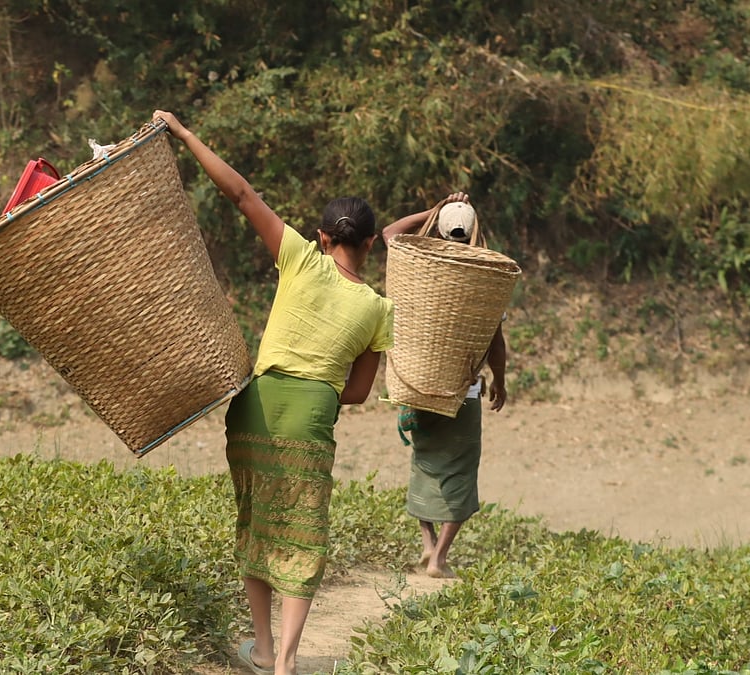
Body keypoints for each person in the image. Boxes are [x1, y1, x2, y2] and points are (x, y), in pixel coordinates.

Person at [153, 110, 394, 675]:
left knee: (256, 521)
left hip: (255, 406)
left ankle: (260, 649)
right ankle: (287, 661)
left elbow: (240, 194)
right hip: (311, 415)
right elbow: (358, 394)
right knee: (303, 531)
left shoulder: (299, 258)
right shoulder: (379, 310)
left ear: (323, 237)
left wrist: (186, 134)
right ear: (371, 243)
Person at [381, 192, 508, 579]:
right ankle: (439, 558)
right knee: (461, 472)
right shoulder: (486, 279)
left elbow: (389, 231)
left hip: (416, 386)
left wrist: (434, 206)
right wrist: (500, 381)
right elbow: (495, 342)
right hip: (462, 393)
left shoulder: (418, 268)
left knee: (425, 466)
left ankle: (426, 545)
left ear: (436, 227)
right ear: (472, 233)